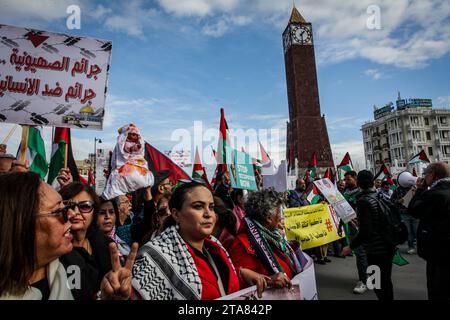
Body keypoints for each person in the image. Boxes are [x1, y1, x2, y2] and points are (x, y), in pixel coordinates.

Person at [131, 181, 241, 300]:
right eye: (198, 206)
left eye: (211, 207)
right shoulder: (156, 256)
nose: (208, 214)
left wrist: (242, 274)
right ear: (176, 214)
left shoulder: (217, 248)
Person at [0, 172, 74, 299]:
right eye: (59, 211)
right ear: (23, 224)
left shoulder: (74, 268)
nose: (72, 213)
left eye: (66, 205)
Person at [229, 189, 305, 291]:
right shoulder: (242, 244)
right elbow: (237, 282)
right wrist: (269, 280)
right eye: (279, 214)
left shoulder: (272, 235)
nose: (281, 218)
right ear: (269, 218)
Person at [342, 170, 397, 301]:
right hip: (387, 246)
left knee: (379, 285)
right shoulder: (379, 195)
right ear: (373, 182)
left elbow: (365, 230)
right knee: (385, 282)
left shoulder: (363, 200)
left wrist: (350, 246)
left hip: (375, 249)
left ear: (359, 183)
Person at [58, 182, 113, 300]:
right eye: (69, 205)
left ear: (94, 212)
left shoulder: (105, 244)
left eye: (85, 206)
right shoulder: (57, 251)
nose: (76, 212)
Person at [408, 162, 450, 300]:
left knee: (437, 289)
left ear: (432, 175)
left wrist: (420, 190)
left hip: (438, 249)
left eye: (426, 174)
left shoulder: (435, 193)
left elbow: (414, 210)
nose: (424, 177)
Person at [343, 170, 368, 294]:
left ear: (355, 179)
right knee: (361, 255)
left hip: (361, 228)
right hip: (352, 227)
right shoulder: (346, 192)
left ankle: (364, 281)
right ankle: (368, 279)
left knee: (363, 254)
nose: (346, 182)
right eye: (345, 180)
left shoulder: (361, 193)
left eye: (348, 179)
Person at [97, 198, 131, 262]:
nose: (107, 216)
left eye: (111, 212)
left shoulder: (120, 239)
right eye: (102, 213)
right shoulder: (90, 245)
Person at [391, 182, 418, 254]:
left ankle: (421, 246)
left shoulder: (415, 188)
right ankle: (411, 247)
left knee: (417, 231)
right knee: (408, 231)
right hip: (404, 213)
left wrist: (415, 194)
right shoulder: (397, 190)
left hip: (415, 213)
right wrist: (398, 201)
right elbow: (392, 200)